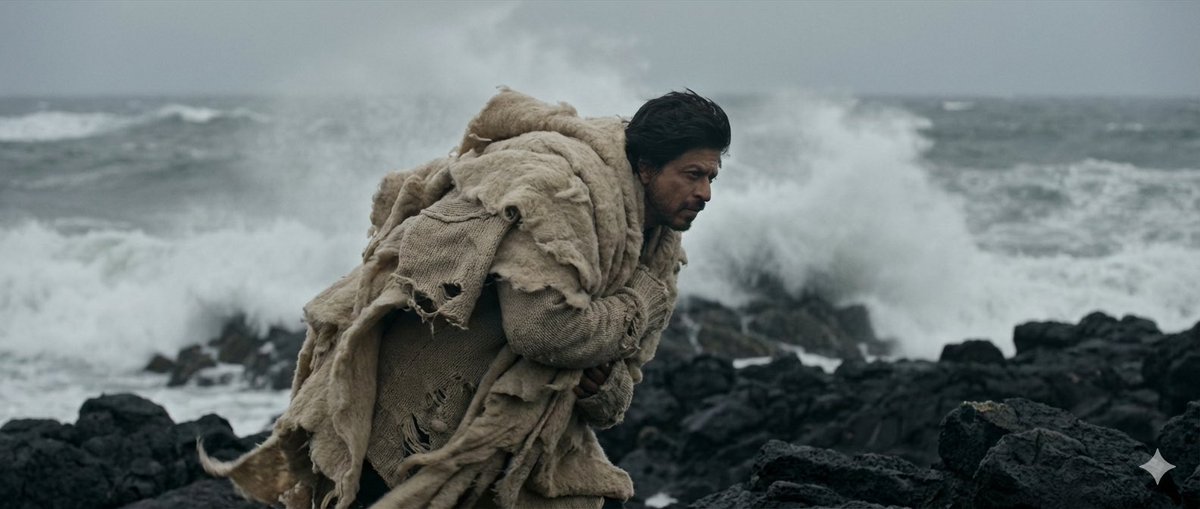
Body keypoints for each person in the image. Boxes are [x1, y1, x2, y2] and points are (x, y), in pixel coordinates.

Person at [201, 88, 730, 509]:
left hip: (502, 446)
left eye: (711, 176)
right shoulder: (562, 194)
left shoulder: (657, 250)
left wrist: (600, 382)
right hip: (416, 418)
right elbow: (544, 330)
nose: (705, 193)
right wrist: (634, 307)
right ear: (644, 168)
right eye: (692, 175)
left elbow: (614, 397)